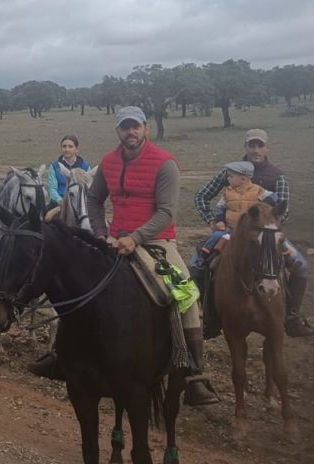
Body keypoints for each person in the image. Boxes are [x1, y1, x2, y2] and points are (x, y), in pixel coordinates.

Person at [31, 106, 220, 406]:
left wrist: (136, 238)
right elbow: (94, 199)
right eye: (124, 127)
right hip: (114, 239)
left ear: (145, 128)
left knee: (187, 294)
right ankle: (63, 357)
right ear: (118, 131)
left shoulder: (165, 163)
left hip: (157, 242)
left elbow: (167, 212)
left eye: (135, 126)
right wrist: (100, 233)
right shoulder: (108, 161)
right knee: (78, 285)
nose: (130, 132)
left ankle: (195, 373)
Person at [194, 128, 314, 337]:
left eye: (260, 145)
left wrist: (268, 229)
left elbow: (283, 212)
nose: (255, 149)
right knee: (198, 264)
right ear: (246, 147)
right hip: (231, 232)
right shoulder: (230, 173)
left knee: (301, 266)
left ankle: (292, 317)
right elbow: (201, 196)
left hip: (267, 235)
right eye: (251, 145)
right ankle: (211, 317)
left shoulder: (276, 176)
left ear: (267, 147)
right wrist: (213, 220)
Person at [46, 134, 91, 208]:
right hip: (59, 204)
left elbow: (89, 188)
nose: (67, 149)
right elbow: (52, 189)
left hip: (80, 205)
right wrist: (61, 202)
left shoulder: (85, 167)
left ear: (76, 149)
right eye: (64, 146)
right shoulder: (54, 166)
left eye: (70, 146)